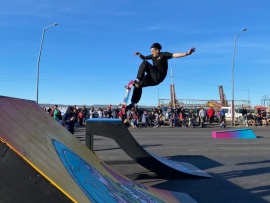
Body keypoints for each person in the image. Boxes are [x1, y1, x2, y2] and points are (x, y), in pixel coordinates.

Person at [126, 43, 195, 111]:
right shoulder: (153, 56)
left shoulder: (163, 55)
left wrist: (187, 53)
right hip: (153, 78)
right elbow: (144, 58)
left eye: (153, 51)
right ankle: (133, 103)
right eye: (151, 51)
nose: (152, 53)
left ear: (157, 50)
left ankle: (138, 79)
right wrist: (139, 54)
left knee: (145, 63)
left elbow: (175, 55)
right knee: (138, 85)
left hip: (159, 76)